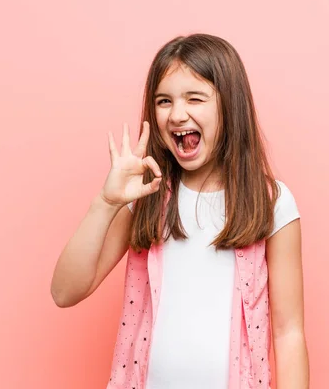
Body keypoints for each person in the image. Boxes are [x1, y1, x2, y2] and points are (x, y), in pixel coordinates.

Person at [51, 33, 309, 389]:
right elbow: (65, 292)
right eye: (163, 101)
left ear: (229, 106)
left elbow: (289, 333)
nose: (176, 114)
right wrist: (107, 203)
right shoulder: (147, 196)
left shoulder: (271, 202)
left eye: (195, 98)